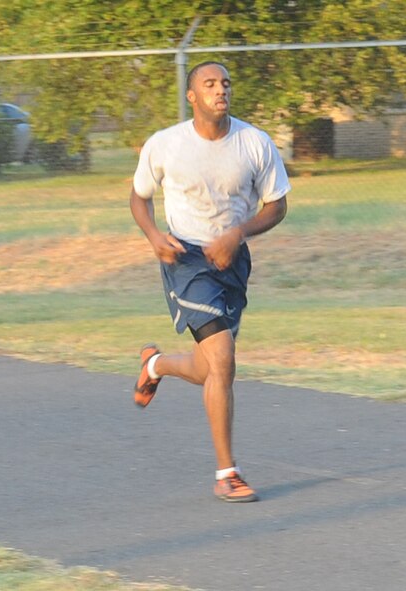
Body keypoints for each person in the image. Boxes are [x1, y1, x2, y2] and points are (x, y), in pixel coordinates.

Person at [129, 61, 290, 503]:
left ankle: (155, 365)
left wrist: (238, 234)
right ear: (192, 96)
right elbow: (139, 196)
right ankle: (227, 472)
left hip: (232, 259)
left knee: (208, 369)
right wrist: (153, 236)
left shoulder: (254, 142)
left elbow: (277, 205)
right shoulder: (166, 144)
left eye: (225, 83)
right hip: (185, 259)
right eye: (210, 84)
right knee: (223, 361)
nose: (221, 90)